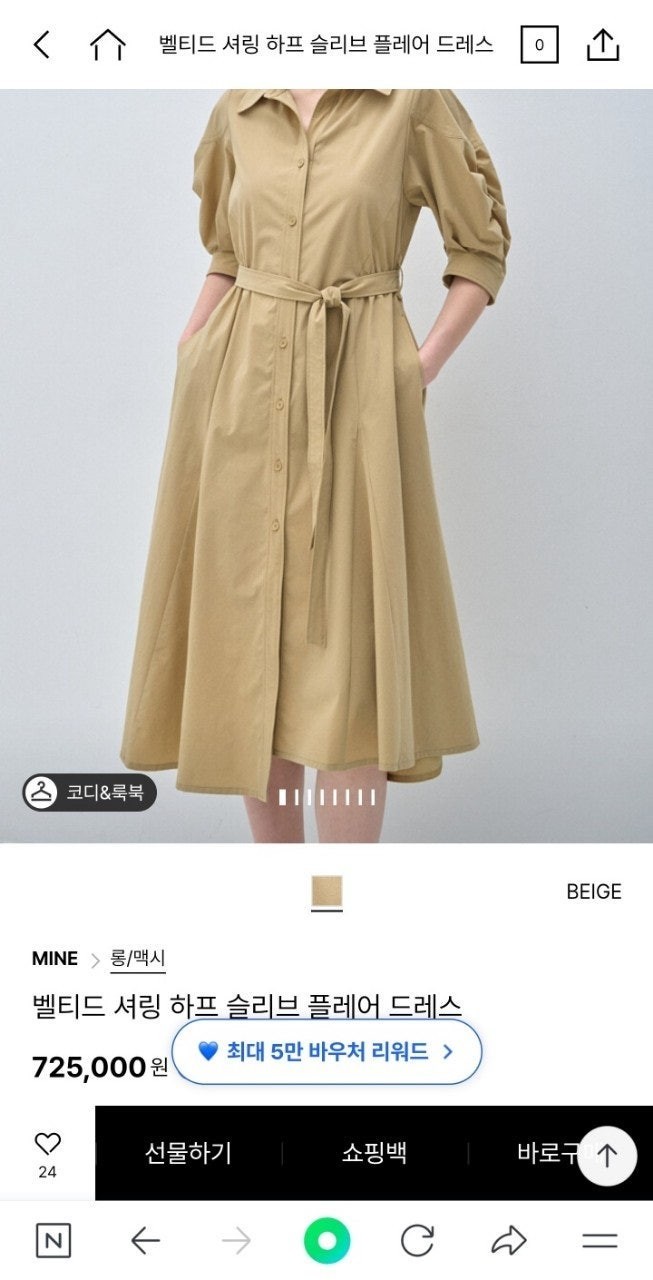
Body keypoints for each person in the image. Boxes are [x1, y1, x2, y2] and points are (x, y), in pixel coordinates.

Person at [119, 88, 510, 843]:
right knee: (248, 642)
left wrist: (416, 367)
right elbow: (226, 254)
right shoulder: (239, 108)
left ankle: (336, 897)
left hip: (356, 390)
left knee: (348, 665)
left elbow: (481, 248)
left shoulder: (411, 101)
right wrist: (192, 349)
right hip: (238, 388)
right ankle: (284, 894)